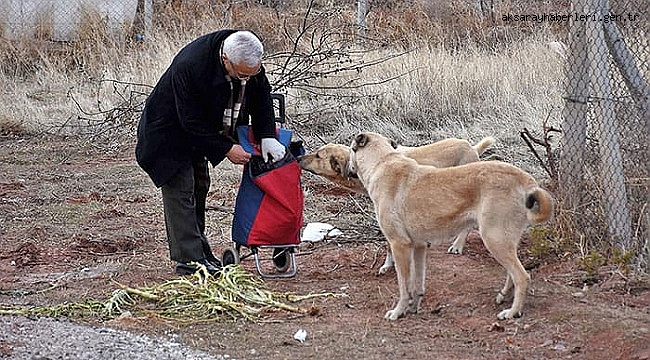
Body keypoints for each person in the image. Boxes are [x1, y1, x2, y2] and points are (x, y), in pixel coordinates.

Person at [135, 30, 286, 276]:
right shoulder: (191, 65)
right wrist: (226, 149)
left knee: (200, 186)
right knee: (182, 191)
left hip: (199, 133)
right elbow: (190, 121)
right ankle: (190, 261)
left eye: (253, 73)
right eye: (241, 74)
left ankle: (201, 253)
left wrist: (267, 136)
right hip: (168, 133)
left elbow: (261, 98)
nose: (247, 80)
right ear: (225, 59)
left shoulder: (248, 61)